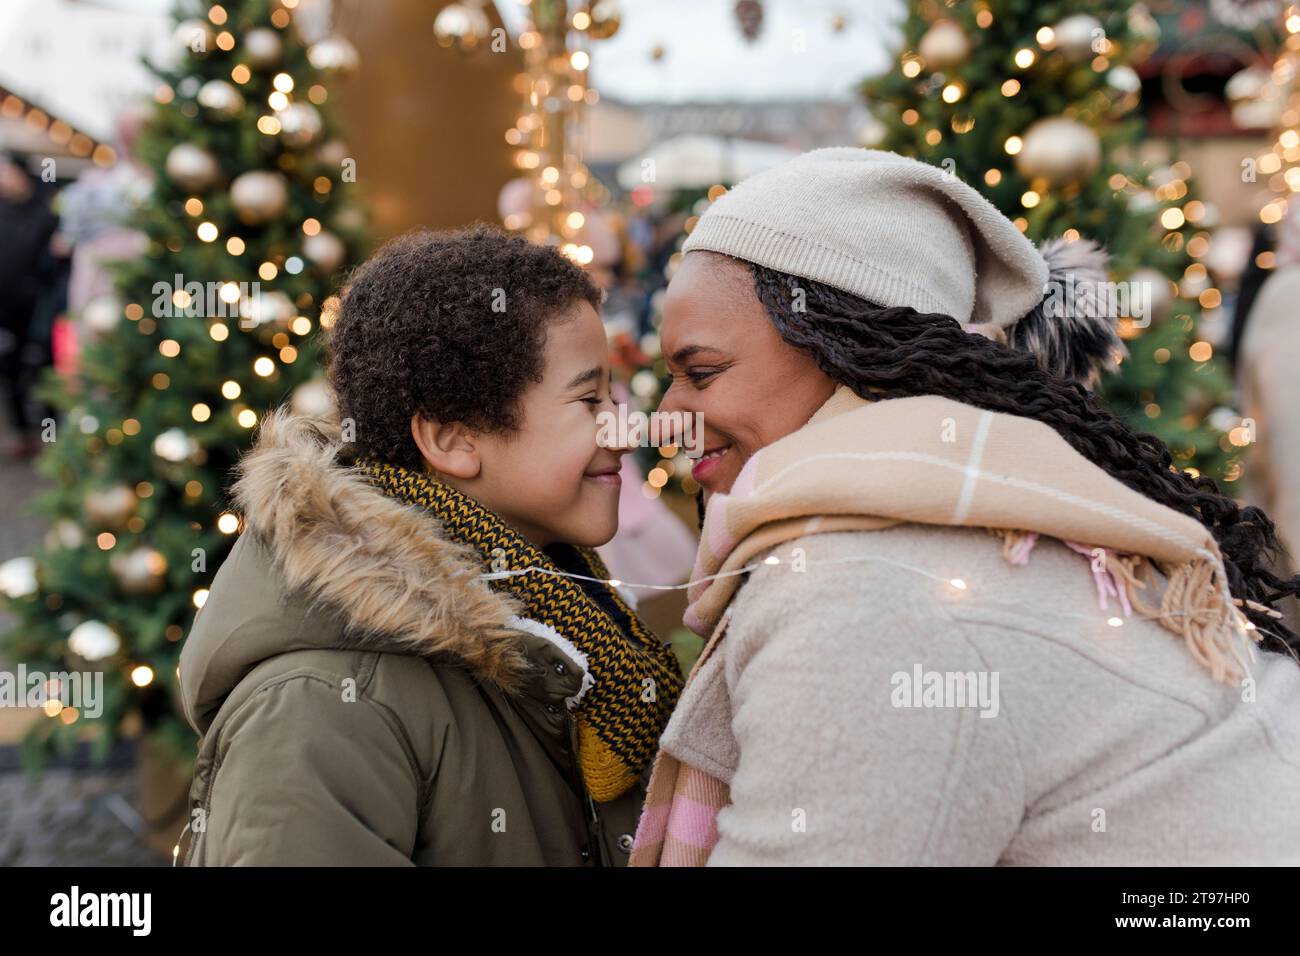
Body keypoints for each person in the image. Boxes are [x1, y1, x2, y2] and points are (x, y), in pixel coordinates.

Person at [631, 148, 1300, 866]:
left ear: (846, 348)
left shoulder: (865, 595)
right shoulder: (952, 509)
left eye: (700, 373)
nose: (667, 419)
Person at [178, 225, 684, 865]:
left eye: (612, 393)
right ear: (452, 440)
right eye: (588, 399)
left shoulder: (566, 615)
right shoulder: (321, 709)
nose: (623, 425)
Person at [0, 153, 59, 455]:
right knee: (11, 371)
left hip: (39, 308)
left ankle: (53, 433)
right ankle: (24, 435)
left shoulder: (45, 212)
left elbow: (53, 261)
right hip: (6, 309)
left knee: (45, 369)